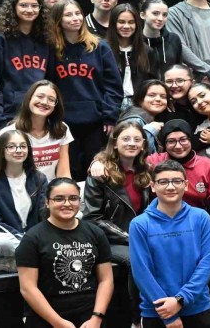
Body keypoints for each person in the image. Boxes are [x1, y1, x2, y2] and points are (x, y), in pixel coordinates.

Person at [130, 160, 210, 328]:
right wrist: (168, 315)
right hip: (157, 311)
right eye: (163, 182)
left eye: (177, 181)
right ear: (153, 186)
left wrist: (181, 299)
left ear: (186, 185)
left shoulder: (201, 217)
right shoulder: (140, 224)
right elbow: (141, 271)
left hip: (198, 307)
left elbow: (207, 264)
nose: (170, 187)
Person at [16, 178, 113, 328]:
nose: (67, 204)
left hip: (90, 317)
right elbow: (28, 288)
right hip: (47, 318)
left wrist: (97, 317)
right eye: (59, 199)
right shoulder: (32, 238)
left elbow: (106, 280)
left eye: (73, 198)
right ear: (47, 202)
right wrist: (58, 323)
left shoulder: (96, 233)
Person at [83, 120, 152, 328]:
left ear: (143, 145)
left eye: (137, 139)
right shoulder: (100, 173)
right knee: (136, 258)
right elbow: (93, 218)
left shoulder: (147, 171)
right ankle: (138, 320)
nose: (131, 143)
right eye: (126, 139)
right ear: (114, 143)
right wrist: (131, 238)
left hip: (140, 236)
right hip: (108, 239)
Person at [47, 0, 123, 180]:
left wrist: (110, 115)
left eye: (78, 13)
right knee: (68, 170)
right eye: (68, 15)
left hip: (96, 121)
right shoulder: (51, 49)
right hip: (64, 122)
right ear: (58, 20)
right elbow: (47, 85)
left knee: (97, 169)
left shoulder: (99, 46)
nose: (75, 18)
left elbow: (113, 86)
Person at [90, 119, 210, 210]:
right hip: (160, 221)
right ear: (164, 145)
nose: (178, 146)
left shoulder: (207, 165)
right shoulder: (154, 161)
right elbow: (125, 156)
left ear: (191, 141)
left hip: (198, 221)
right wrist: (98, 162)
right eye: (171, 141)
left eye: (183, 140)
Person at [0, 0, 50, 135]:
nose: (29, 10)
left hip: (42, 116)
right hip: (10, 117)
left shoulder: (45, 40)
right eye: (23, 5)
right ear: (13, 8)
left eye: (34, 5)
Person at [0, 130, 47, 272]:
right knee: (0, 242)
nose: (18, 150)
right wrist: (25, 241)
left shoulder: (39, 178)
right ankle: (37, 260)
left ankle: (13, 264)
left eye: (23, 146)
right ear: (1, 151)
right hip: (8, 242)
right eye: (11, 146)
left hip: (35, 239)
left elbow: (44, 213)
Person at [0, 80, 73, 181]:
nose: (44, 102)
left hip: (50, 189)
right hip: (17, 188)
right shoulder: (8, 133)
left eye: (51, 99)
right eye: (40, 96)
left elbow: (64, 174)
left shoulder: (61, 129)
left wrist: (67, 189)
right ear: (29, 98)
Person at [106, 3, 154, 109]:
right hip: (110, 105)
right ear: (113, 23)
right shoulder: (103, 49)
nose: (126, 26)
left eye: (131, 22)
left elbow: (152, 82)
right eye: (121, 22)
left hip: (139, 106)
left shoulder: (147, 51)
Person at [116, 79, 171, 154]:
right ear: (140, 99)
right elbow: (130, 150)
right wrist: (149, 131)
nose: (158, 99)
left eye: (163, 97)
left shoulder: (153, 118)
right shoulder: (134, 120)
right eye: (152, 95)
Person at [140, 0, 183, 77]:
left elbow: (178, 68)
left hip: (169, 84)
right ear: (142, 15)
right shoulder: (136, 41)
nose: (160, 18)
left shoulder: (173, 39)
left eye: (164, 15)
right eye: (155, 13)